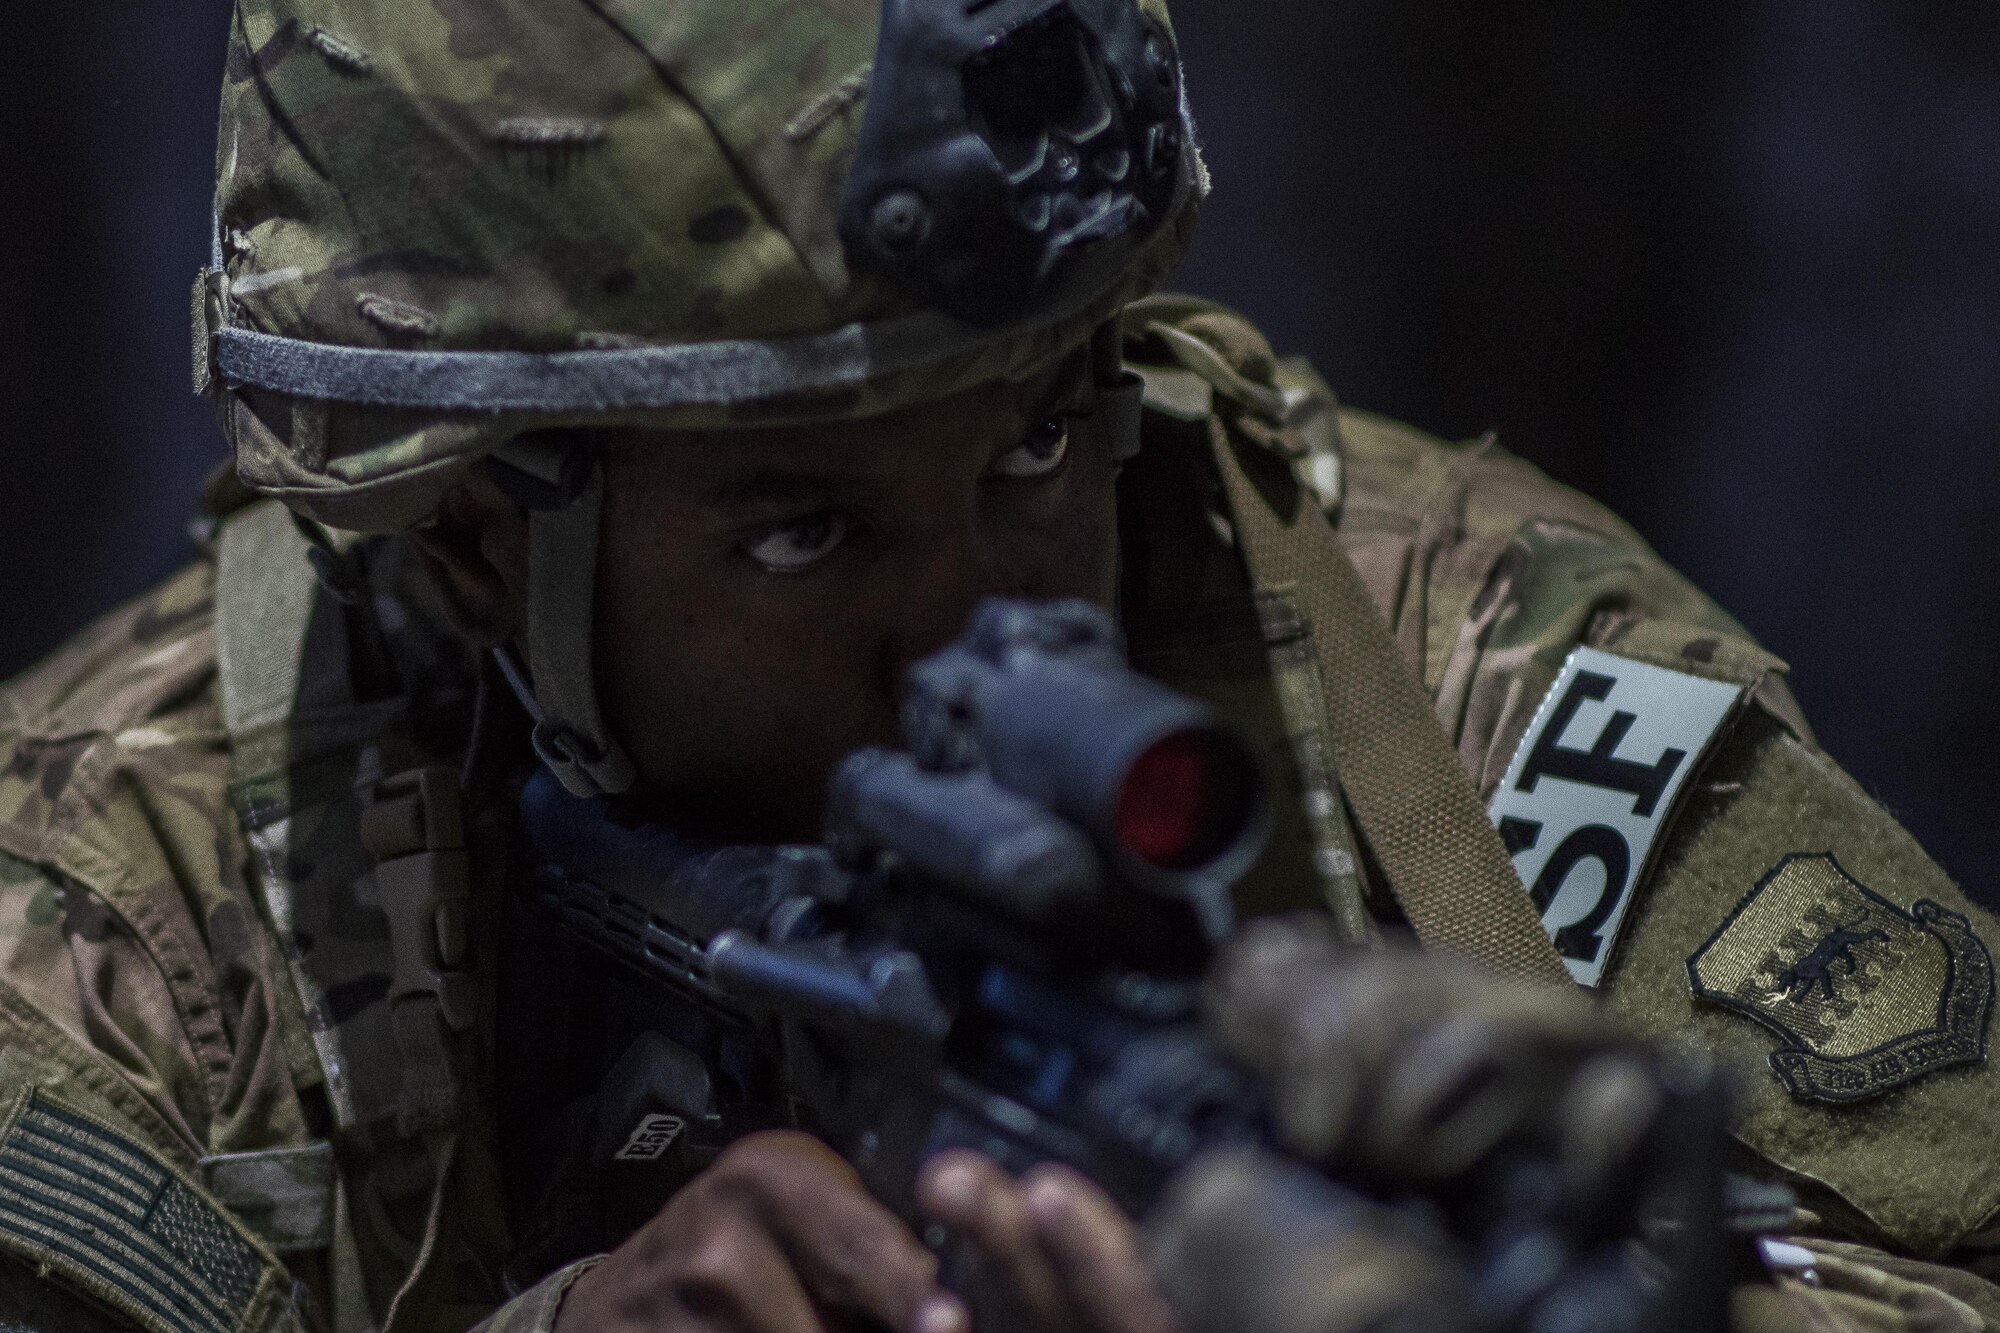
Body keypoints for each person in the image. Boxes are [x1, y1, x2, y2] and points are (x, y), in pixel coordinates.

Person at [0, 0, 1993, 1330]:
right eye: (800, 529)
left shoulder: (1457, 668)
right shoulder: (126, 906)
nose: (993, 619)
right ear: (460, 534)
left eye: (1040, 434)